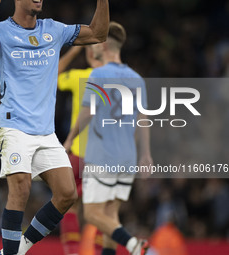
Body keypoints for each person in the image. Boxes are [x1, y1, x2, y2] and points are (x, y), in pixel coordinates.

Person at [0, 0, 109, 254]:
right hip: (13, 127)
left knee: (67, 194)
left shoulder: (54, 29)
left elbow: (98, 33)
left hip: (45, 132)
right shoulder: (1, 31)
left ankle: (18, 249)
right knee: (21, 185)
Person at [64, 22, 153, 255]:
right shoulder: (136, 78)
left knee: (94, 214)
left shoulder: (99, 74)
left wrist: (70, 139)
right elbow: (143, 120)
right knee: (111, 216)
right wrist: (145, 154)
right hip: (127, 157)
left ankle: (135, 245)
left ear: (103, 45)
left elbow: (88, 112)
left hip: (102, 154)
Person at [57, 46, 104, 255]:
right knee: (101, 210)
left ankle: (73, 252)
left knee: (69, 205)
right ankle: (98, 251)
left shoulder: (80, 77)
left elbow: (53, 74)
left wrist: (75, 50)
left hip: (78, 153)